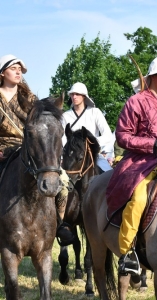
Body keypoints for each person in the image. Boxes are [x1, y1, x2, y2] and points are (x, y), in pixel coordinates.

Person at [105, 55, 157, 275]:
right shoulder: (135, 101)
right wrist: (153, 144)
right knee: (139, 197)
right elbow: (122, 136)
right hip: (140, 161)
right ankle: (127, 253)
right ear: (153, 78)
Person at [0, 54, 71, 245]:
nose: (18, 72)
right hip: (1, 149)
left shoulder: (30, 99)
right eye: (13, 68)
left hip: (28, 149)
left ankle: (60, 223)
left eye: (20, 69)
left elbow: (43, 125)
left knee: (62, 181)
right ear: (2, 73)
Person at [61, 82, 113, 172]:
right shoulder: (65, 116)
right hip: (71, 158)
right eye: (72, 94)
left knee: (110, 177)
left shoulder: (95, 112)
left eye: (77, 94)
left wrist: (90, 143)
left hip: (93, 155)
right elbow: (63, 139)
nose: (74, 97)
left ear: (84, 96)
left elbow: (108, 135)